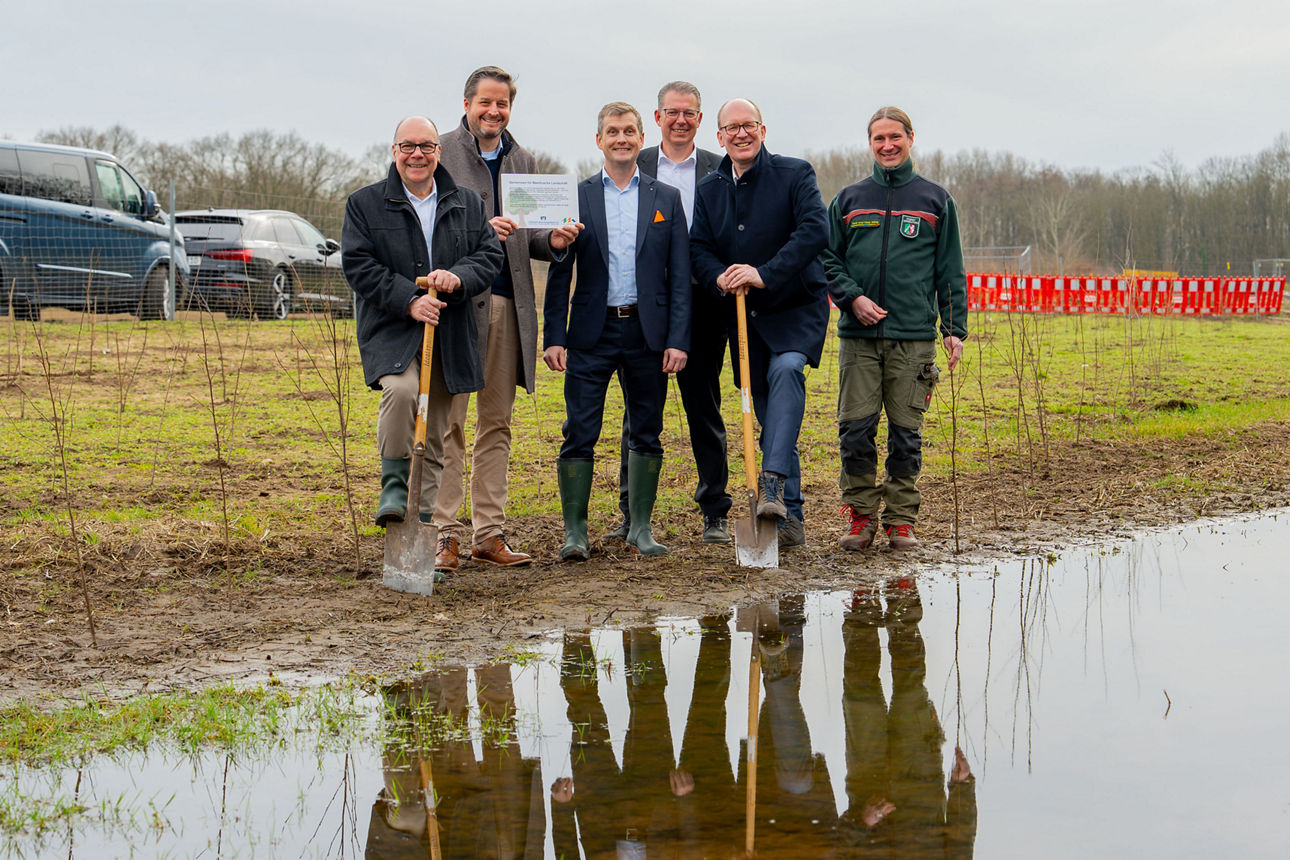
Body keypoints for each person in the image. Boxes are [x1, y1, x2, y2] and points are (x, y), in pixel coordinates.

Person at [432, 65, 580, 573]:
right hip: (456, 308)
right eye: (485, 102)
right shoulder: (439, 154)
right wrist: (477, 230)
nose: (494, 111)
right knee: (449, 424)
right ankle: (444, 534)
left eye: (503, 104)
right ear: (467, 104)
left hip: (509, 305)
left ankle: (488, 534)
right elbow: (426, 229)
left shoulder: (524, 160)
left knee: (496, 422)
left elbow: (530, 235)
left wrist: (552, 241)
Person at [341, 116, 502, 546]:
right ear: (394, 152)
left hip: (448, 333)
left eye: (426, 146)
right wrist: (409, 300)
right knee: (401, 391)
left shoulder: (466, 203)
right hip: (392, 328)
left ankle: (420, 533)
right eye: (408, 146)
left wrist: (458, 276)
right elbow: (358, 265)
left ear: (438, 152)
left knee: (434, 434)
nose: (417, 155)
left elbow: (489, 256)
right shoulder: (365, 204)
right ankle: (394, 488)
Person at [543, 102, 690, 560]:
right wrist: (554, 335)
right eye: (612, 131)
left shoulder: (666, 199)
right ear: (599, 140)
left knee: (646, 429)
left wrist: (677, 339)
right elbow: (559, 271)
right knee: (579, 430)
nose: (621, 139)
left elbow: (679, 276)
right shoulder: (578, 196)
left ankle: (640, 527)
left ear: (642, 138)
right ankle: (575, 533)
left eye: (629, 131)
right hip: (591, 332)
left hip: (648, 333)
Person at [823, 106, 967, 551]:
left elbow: (949, 270)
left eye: (894, 137)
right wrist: (853, 298)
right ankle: (861, 517)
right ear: (870, 143)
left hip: (913, 340)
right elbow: (827, 259)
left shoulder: (935, 201)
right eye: (878, 138)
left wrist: (953, 328)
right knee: (856, 431)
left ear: (910, 138)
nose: (887, 146)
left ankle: (901, 521)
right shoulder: (848, 200)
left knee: (906, 436)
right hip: (858, 340)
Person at [689, 98, 830, 549]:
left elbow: (815, 230)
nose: (741, 134)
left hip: (795, 308)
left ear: (763, 130)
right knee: (772, 416)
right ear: (719, 137)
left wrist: (764, 273)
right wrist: (719, 276)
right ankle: (790, 518)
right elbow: (698, 247)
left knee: (787, 371)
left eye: (748, 125)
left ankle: (771, 482)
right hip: (746, 317)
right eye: (731, 128)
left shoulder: (795, 173)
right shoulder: (709, 188)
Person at [604, 81, 730, 546]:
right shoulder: (635, 162)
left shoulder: (719, 169)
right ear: (657, 118)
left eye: (689, 113)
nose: (680, 120)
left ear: (700, 119)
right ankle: (631, 513)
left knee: (704, 406)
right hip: (646, 306)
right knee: (638, 411)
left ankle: (715, 509)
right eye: (672, 112)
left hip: (703, 303)